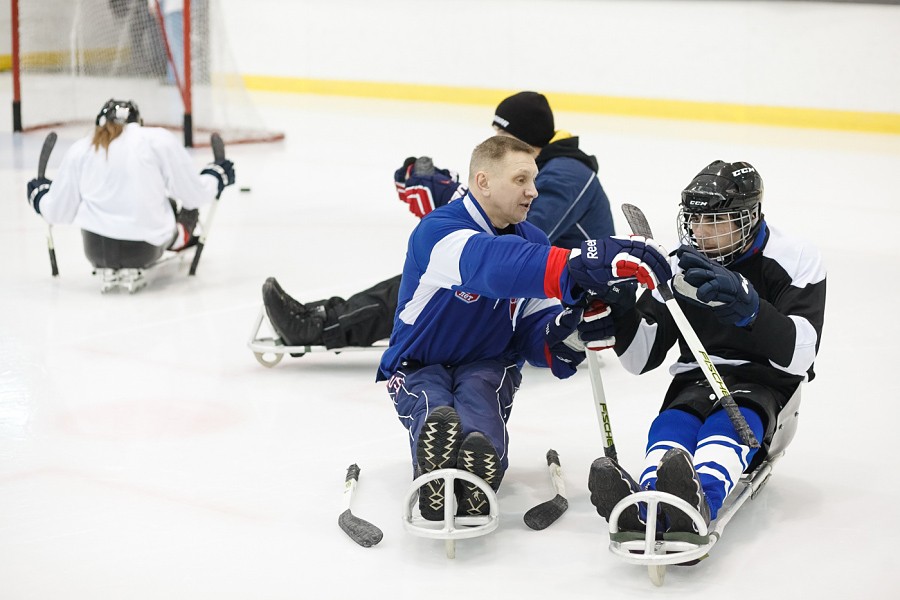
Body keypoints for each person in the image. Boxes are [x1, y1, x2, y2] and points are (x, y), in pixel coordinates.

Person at [378, 135, 671, 521]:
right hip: (418, 363)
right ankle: (435, 474)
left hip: (488, 363)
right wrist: (581, 263)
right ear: (482, 182)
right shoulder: (440, 230)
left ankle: (474, 478)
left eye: (534, 180)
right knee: (433, 408)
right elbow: (492, 266)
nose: (533, 191)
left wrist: (572, 331)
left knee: (481, 425)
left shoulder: (533, 237)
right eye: (520, 180)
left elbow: (536, 329)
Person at [260, 90, 615, 350]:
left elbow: (518, 237)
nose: (494, 144)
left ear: (524, 141)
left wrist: (449, 196)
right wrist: (452, 192)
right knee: (433, 273)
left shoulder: (566, 174)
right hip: (535, 285)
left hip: (567, 312)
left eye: (501, 136)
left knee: (434, 282)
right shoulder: (548, 166)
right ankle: (323, 317)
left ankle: (320, 327)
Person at [585, 160, 826, 537]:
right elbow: (639, 359)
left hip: (765, 384)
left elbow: (802, 356)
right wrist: (621, 313)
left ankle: (701, 504)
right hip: (697, 377)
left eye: (714, 222)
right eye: (695, 221)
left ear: (749, 216)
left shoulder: (796, 258)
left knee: (725, 426)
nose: (700, 231)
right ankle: (648, 507)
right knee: (672, 423)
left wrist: (752, 310)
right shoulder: (681, 265)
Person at [26, 98, 235, 270]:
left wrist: (40, 193)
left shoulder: (81, 148)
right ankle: (183, 234)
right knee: (175, 207)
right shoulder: (156, 140)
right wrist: (216, 174)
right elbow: (194, 194)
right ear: (138, 122)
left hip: (95, 249)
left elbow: (56, 211)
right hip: (144, 249)